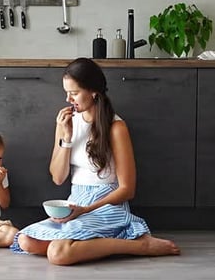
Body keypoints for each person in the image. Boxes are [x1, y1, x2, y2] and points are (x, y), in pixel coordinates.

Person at [10, 57, 180, 265]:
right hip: (76, 200)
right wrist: (67, 138)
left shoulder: (116, 128)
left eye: (74, 93)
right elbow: (58, 177)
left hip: (107, 204)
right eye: (66, 93)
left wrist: (87, 210)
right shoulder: (65, 123)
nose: (68, 99)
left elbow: (127, 189)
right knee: (27, 241)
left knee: (57, 253)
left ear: (93, 91)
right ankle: (97, 244)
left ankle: (140, 246)